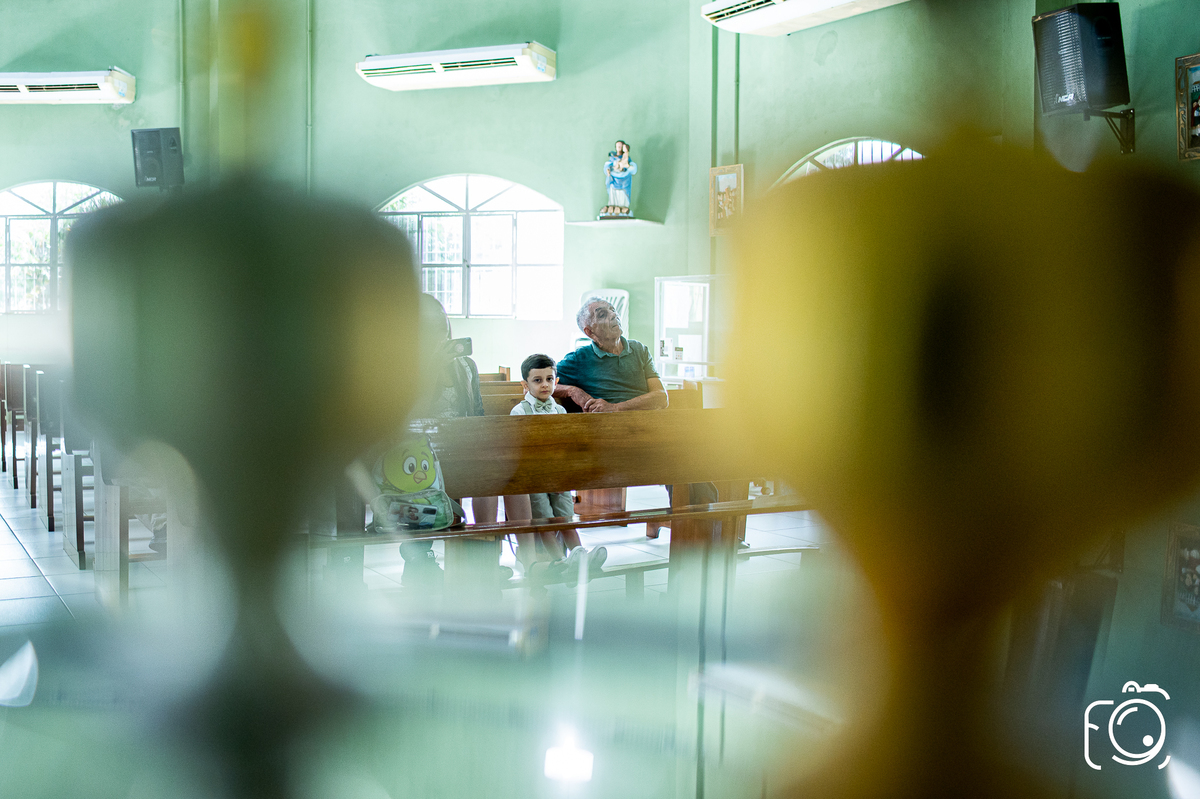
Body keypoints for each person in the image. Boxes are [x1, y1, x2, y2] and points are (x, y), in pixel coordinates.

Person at [554, 298, 719, 532]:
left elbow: (661, 398)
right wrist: (572, 390)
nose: (613, 315)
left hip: (652, 435)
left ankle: (704, 528)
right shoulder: (579, 359)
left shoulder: (639, 350)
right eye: (602, 314)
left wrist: (615, 408)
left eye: (612, 310)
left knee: (694, 456)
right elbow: (536, 383)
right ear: (589, 331)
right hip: (615, 445)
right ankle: (703, 528)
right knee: (687, 455)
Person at [395, 293, 519, 588]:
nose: (438, 334)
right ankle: (418, 561)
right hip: (417, 452)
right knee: (421, 479)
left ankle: (484, 557)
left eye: (442, 326)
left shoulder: (465, 365)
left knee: (497, 472)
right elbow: (406, 415)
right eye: (429, 327)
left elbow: (476, 412)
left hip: (460, 448)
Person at [509, 353, 607, 580]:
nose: (545, 384)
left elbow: (567, 448)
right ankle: (560, 562)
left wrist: (563, 476)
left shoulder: (560, 411)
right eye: (537, 380)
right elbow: (519, 451)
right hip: (533, 478)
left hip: (558, 476)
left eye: (549, 379)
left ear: (557, 381)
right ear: (525, 384)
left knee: (565, 516)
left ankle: (579, 555)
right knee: (543, 517)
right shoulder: (520, 411)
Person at [601, 140, 637, 217]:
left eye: (621, 146)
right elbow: (607, 166)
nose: (619, 148)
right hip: (614, 180)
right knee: (613, 195)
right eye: (618, 146)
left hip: (624, 181)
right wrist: (608, 169)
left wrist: (627, 166)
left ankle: (623, 209)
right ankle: (612, 208)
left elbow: (633, 169)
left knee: (622, 196)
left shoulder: (626, 158)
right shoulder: (612, 158)